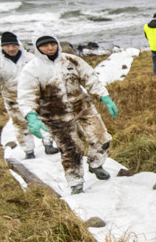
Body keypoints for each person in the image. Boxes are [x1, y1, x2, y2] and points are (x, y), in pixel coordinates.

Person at [17, 35, 119, 195]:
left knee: (101, 137)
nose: (50, 48)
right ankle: (76, 183)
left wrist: (104, 97)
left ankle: (96, 165)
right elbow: (26, 95)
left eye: (52, 44)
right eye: (45, 46)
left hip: (82, 107)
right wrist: (31, 116)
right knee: (71, 149)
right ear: (38, 49)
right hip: (55, 115)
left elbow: (90, 79)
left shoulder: (71, 60)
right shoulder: (32, 69)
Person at [0, 31, 56, 158]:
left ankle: (48, 144)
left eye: (14, 45)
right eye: (7, 46)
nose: (11, 48)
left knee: (45, 120)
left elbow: (46, 75)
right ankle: (29, 151)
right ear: (2, 47)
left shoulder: (30, 58)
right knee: (21, 126)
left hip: (35, 96)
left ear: (18, 45)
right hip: (13, 99)